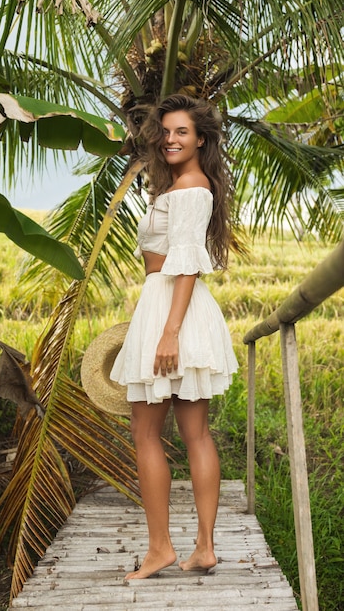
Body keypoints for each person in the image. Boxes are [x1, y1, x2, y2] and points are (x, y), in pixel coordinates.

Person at [110, 93, 238, 580]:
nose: (170, 138)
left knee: (145, 432)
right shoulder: (188, 187)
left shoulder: (189, 188)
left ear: (200, 140)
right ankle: (202, 547)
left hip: (172, 310)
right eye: (165, 131)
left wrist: (168, 332)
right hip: (175, 309)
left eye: (182, 131)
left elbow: (183, 264)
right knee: (196, 433)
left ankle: (161, 548)